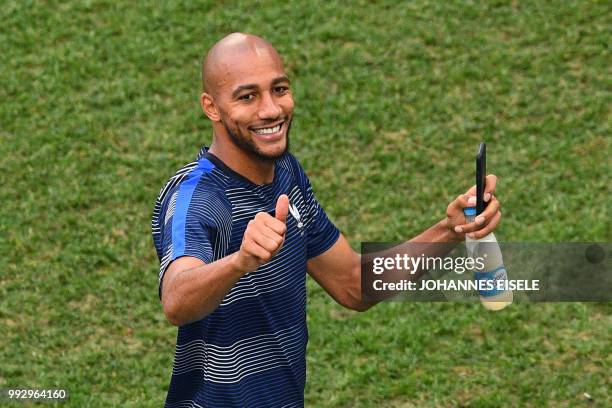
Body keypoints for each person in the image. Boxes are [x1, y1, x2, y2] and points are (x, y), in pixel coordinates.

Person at [151, 32, 501, 408]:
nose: (271, 110)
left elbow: (353, 283)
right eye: (247, 96)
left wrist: (451, 230)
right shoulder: (197, 196)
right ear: (212, 107)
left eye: (279, 89)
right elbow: (176, 299)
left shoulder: (286, 174)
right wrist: (240, 262)